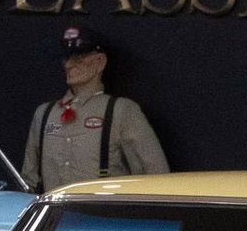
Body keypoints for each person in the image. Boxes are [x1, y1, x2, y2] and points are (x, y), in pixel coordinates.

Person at [22, 27, 169, 192]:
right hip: (56, 214)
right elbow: (29, 180)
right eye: (66, 58)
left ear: (100, 62)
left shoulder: (121, 111)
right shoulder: (44, 114)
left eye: (78, 58)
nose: (69, 65)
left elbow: (155, 175)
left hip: (107, 214)